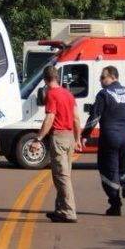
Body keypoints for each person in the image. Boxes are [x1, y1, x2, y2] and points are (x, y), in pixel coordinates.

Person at [81, 65, 125, 216]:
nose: (100, 80)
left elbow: (94, 117)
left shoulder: (104, 94)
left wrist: (84, 135)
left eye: (103, 77)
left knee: (108, 170)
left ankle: (115, 204)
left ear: (113, 77)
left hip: (109, 138)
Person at [30, 65, 80, 223]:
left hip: (58, 136)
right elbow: (76, 118)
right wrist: (77, 139)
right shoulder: (68, 94)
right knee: (63, 174)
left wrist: (38, 138)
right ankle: (60, 209)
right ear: (57, 77)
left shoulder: (51, 94)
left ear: (45, 80)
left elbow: (50, 118)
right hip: (70, 136)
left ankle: (69, 211)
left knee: (62, 176)